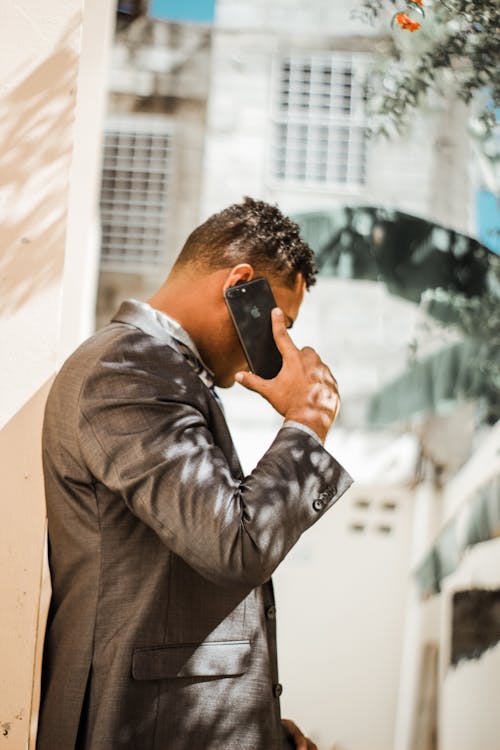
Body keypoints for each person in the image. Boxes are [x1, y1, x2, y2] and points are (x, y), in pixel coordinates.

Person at [36, 197, 353, 750]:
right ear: (240, 285)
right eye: (282, 324)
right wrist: (307, 422)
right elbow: (234, 544)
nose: (269, 359)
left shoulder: (165, 374)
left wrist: (258, 727)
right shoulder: (127, 370)